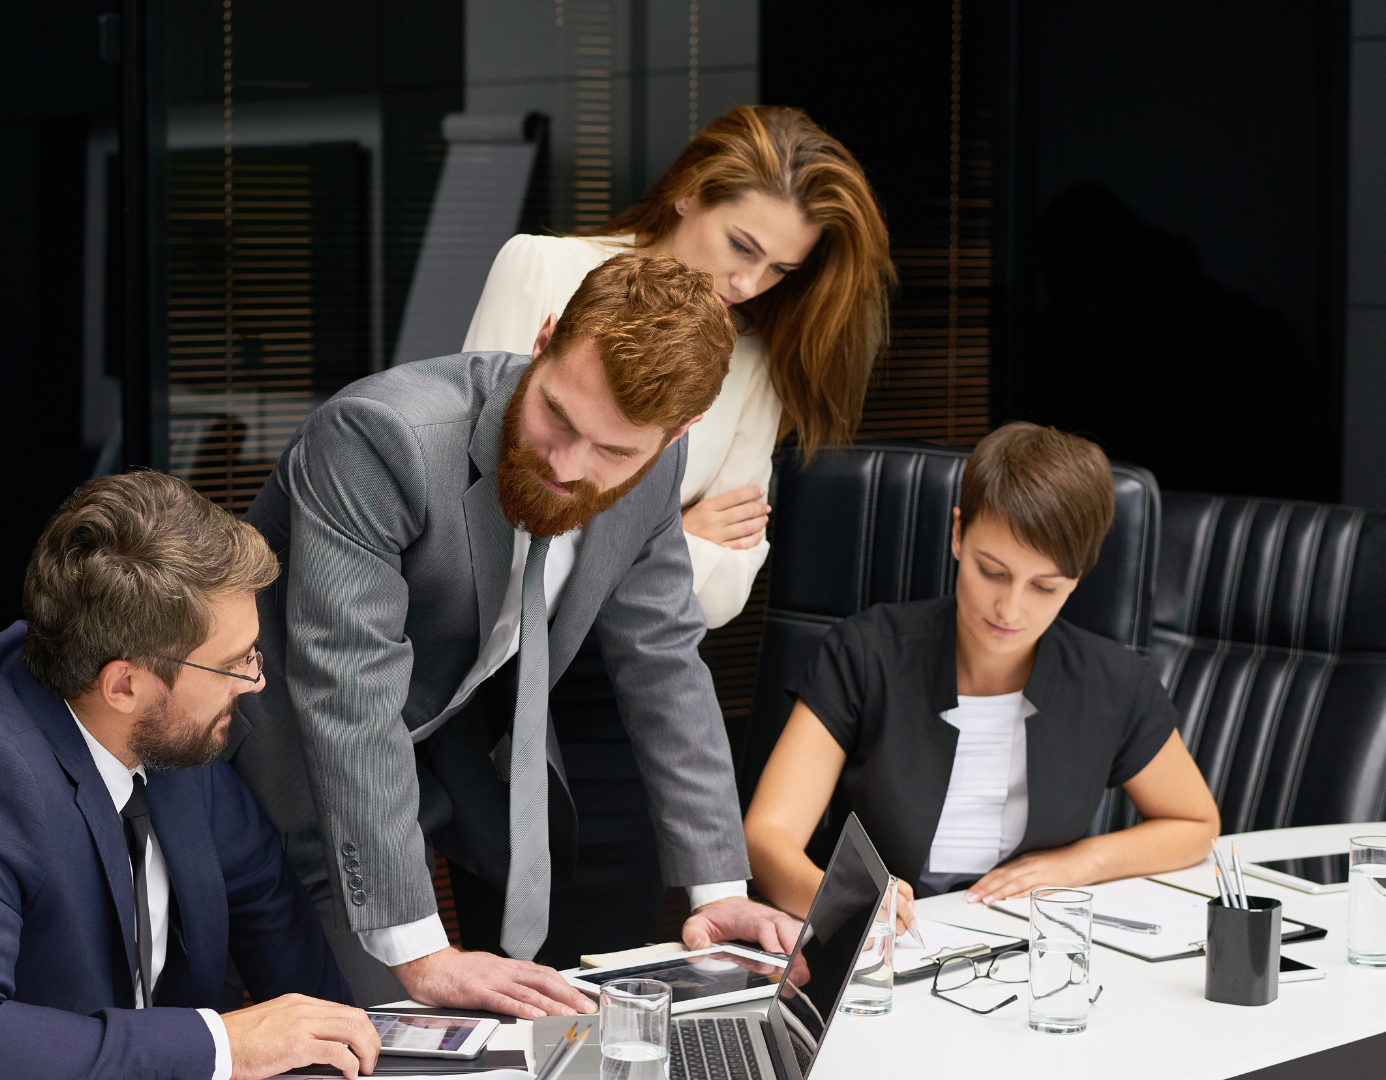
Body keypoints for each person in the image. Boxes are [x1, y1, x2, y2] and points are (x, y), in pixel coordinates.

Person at [231, 251, 800, 1016]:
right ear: (543, 340)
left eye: (614, 451)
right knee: (369, 1034)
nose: (568, 464)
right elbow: (348, 690)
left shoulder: (657, 471)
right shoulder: (380, 436)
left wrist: (719, 890)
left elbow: (665, 664)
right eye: (557, 416)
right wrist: (422, 953)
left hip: (431, 761)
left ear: (676, 436)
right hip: (267, 756)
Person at [460, 104, 893, 957]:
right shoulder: (542, 270)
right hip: (502, 675)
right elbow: (482, 495)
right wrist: (668, 532)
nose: (750, 283)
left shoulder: (752, 362)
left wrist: (617, 535)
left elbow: (721, 592)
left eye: (780, 268)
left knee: (621, 964)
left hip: (631, 693)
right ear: (692, 192)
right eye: (742, 245)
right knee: (509, 971)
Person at [0, 472, 377, 1080]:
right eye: (234, 665)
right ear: (123, 685)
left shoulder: (166, 729)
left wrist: (350, 1052)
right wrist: (223, 1046)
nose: (254, 683)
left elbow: (264, 895)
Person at [743, 423, 1220, 927]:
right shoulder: (865, 653)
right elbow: (766, 837)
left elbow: (1195, 823)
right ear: (958, 534)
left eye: (1044, 587)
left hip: (1028, 939)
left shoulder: (1112, 680)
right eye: (992, 571)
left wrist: (1081, 863)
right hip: (886, 943)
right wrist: (844, 904)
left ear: (1078, 576)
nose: (1009, 610)